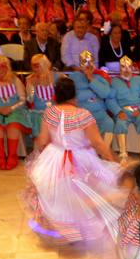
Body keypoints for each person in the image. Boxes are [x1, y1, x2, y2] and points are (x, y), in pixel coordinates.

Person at [22, 74, 121, 245]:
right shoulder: (83, 114)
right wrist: (113, 159)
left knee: (58, 193)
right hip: (80, 158)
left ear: (56, 95)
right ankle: (79, 231)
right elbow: (98, 142)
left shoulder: (50, 112)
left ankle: (64, 229)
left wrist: (37, 158)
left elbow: (42, 140)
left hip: (55, 155)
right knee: (87, 191)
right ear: (75, 95)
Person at [0, 56, 30, 170]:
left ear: (7, 67)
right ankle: (0, 157)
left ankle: (12, 157)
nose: (0, 69)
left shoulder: (15, 79)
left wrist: (11, 108)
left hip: (15, 109)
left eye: (3, 66)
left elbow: (23, 99)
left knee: (13, 125)